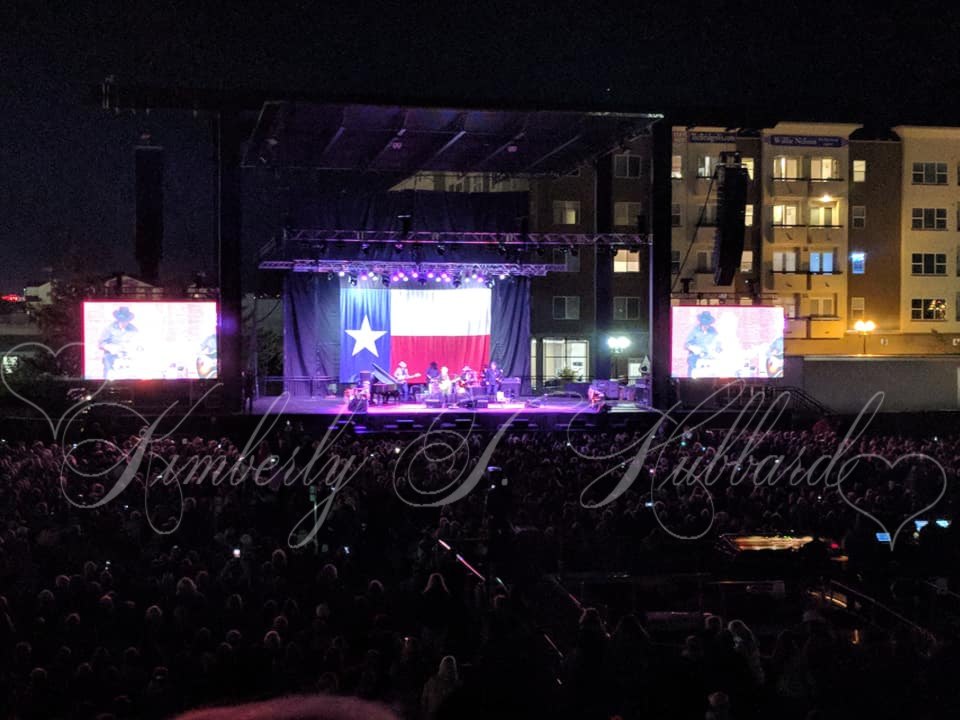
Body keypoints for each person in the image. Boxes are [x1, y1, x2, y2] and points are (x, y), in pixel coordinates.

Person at [98, 306, 140, 379]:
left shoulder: (133, 329)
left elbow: (139, 343)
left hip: (128, 358)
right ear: (118, 319)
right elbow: (100, 344)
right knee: (109, 378)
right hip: (111, 357)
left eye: (126, 321)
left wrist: (136, 348)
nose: (124, 323)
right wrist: (110, 347)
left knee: (132, 378)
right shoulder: (109, 328)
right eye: (122, 320)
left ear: (129, 320)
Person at [684, 311, 719, 377]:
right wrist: (694, 349)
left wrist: (718, 348)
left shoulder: (713, 331)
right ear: (701, 323)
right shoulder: (695, 330)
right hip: (696, 356)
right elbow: (686, 344)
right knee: (694, 369)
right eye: (704, 324)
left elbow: (718, 342)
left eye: (707, 324)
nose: (706, 326)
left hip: (709, 356)